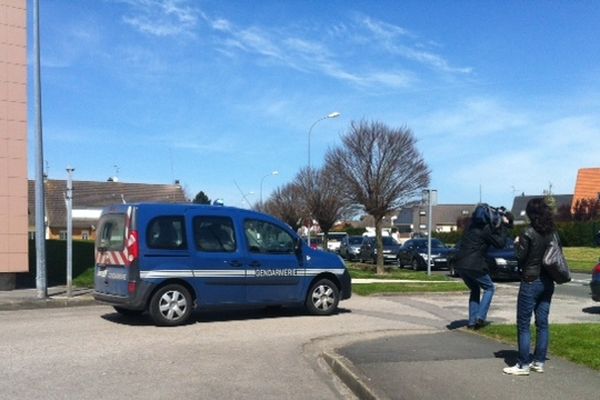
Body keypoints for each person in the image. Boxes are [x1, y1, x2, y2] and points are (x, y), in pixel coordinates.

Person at [503, 198, 556, 376]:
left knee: (523, 324)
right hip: (548, 281)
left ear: (531, 214)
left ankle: (523, 364)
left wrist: (516, 243)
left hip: (531, 280)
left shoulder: (528, 233)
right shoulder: (552, 233)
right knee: (542, 323)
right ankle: (539, 362)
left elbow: (520, 257)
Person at [454, 206, 512, 329]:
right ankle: (480, 317)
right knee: (489, 288)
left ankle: (471, 322)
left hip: (460, 264)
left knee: (475, 289)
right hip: (474, 264)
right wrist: (504, 226)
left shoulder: (469, 227)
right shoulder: (485, 229)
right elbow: (500, 244)